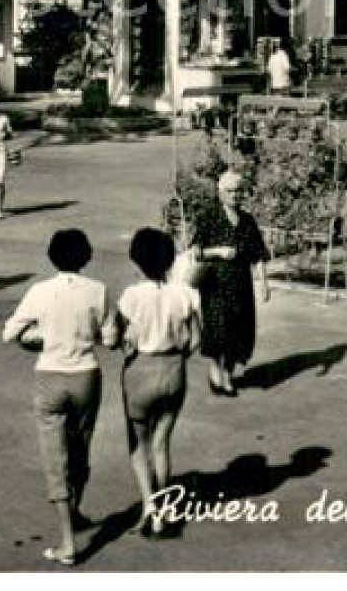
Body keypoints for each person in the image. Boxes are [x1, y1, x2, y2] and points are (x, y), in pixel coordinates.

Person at [3, 229, 119, 567]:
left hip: (49, 375)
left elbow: (10, 333)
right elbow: (110, 340)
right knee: (80, 448)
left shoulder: (40, 291)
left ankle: (68, 542)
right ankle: (77, 509)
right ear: (86, 257)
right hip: (86, 375)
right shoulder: (99, 291)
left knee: (55, 457)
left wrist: (43, 336)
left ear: (52, 257)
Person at [116, 228, 202, 538]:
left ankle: (149, 507)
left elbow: (121, 341)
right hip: (173, 370)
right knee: (161, 443)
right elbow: (195, 341)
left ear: (136, 261)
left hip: (140, 371)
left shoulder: (131, 295)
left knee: (137, 444)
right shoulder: (185, 294)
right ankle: (165, 508)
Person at [190, 169, 270, 396]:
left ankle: (228, 373)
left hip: (241, 285)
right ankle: (216, 370)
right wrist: (218, 251)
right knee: (219, 331)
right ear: (220, 192)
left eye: (239, 191)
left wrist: (264, 284)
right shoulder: (209, 217)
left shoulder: (247, 221)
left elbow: (258, 254)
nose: (235, 195)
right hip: (215, 285)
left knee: (239, 331)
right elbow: (196, 252)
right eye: (230, 191)